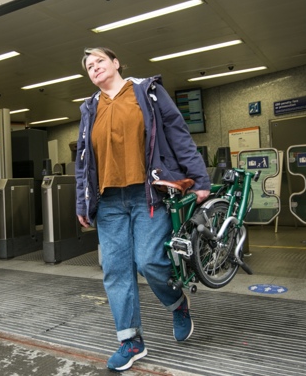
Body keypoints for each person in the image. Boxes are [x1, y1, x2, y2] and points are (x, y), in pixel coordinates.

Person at [75, 47, 210, 372]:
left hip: (146, 194)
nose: (94, 68)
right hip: (108, 201)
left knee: (149, 261)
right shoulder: (90, 108)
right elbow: (83, 158)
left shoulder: (147, 91)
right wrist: (82, 200)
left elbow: (178, 133)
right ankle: (131, 341)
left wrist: (200, 177)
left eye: (99, 61)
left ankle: (177, 304)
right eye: (89, 66)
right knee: (116, 270)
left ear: (116, 62)